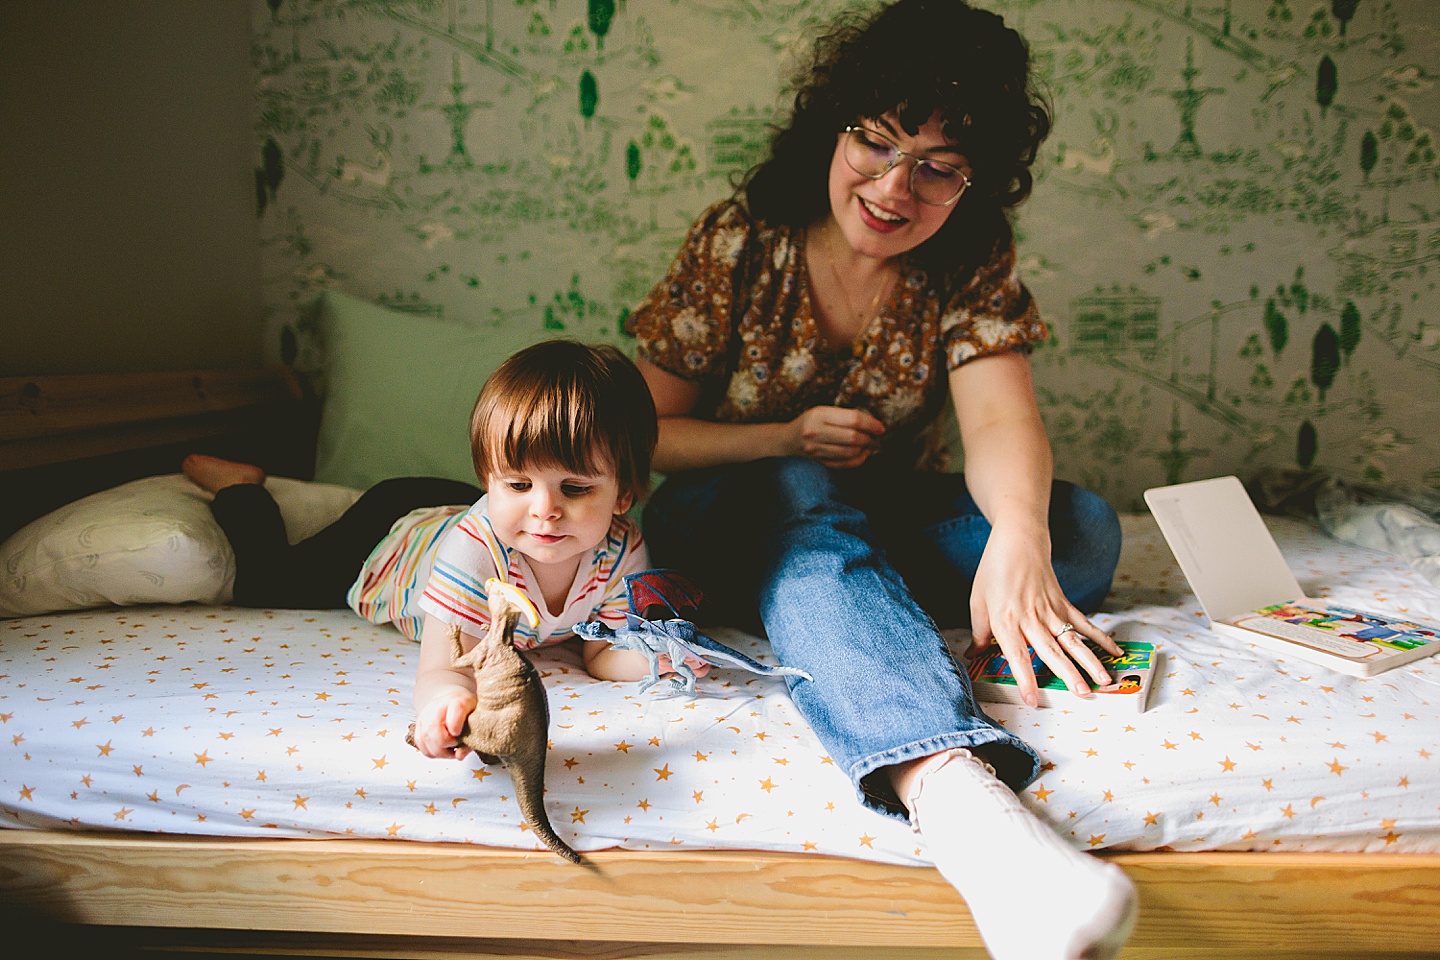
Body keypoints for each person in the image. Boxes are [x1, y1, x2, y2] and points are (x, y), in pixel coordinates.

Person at [626, 2, 1135, 957]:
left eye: (938, 166)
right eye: (878, 143)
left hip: (862, 523)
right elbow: (644, 434)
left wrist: (1020, 539)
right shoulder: (744, 239)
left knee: (1081, 530)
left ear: (972, 183)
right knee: (799, 496)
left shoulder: (968, 261)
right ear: (837, 125)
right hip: (723, 515)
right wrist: (779, 437)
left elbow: (998, 420)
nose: (896, 186)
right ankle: (959, 801)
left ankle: (839, 610)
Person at [182, 340, 692, 761]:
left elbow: (601, 652)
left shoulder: (622, 547)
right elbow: (443, 668)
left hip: (446, 503)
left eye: (575, 489)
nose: (545, 510)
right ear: (490, 480)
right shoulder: (472, 554)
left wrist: (660, 658)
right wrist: (448, 701)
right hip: (389, 533)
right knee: (269, 582)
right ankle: (240, 487)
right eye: (518, 484)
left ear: (623, 494)